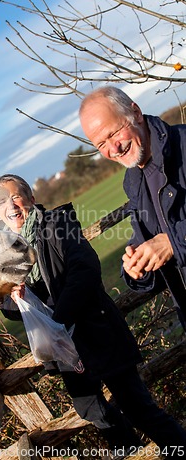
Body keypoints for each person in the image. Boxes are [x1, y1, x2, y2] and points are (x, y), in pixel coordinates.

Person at [0, 174, 186, 458]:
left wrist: (57, 319)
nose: (11, 205)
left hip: (98, 332)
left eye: (15, 196)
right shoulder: (8, 255)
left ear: (31, 199)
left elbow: (85, 270)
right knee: (91, 409)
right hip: (67, 350)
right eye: (1, 202)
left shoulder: (57, 225)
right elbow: (9, 308)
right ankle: (132, 453)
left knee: (138, 407)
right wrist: (16, 298)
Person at [79, 86, 186, 330]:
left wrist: (172, 242)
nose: (113, 149)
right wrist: (136, 267)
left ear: (135, 113)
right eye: (101, 144)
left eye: (114, 133)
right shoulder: (133, 181)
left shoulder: (184, 145)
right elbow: (148, 241)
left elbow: (169, 244)